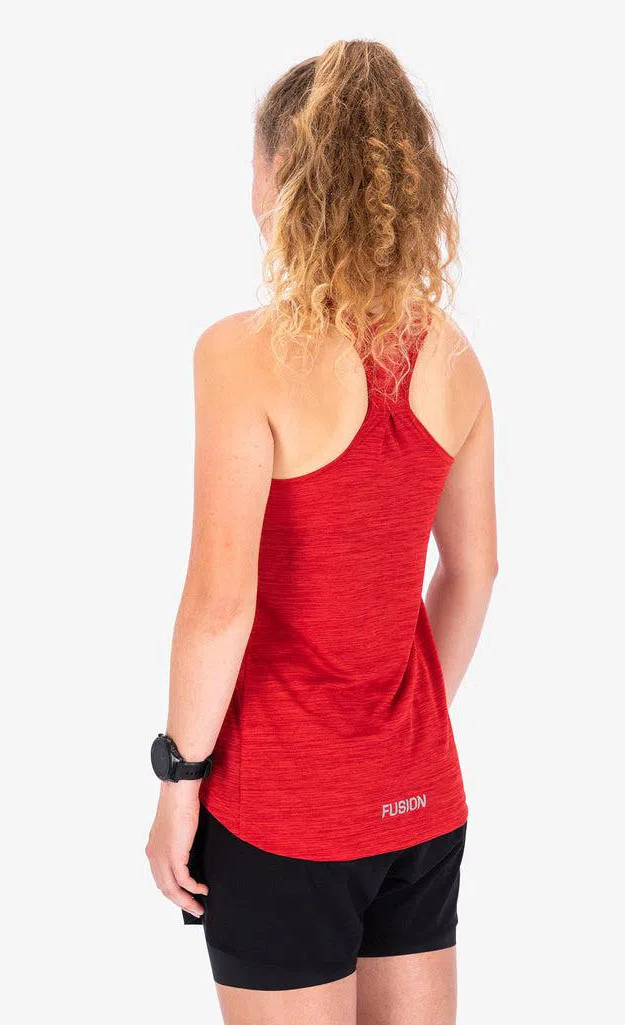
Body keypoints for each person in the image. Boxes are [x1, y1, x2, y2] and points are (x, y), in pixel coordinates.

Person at [146, 39, 497, 1025]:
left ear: (280, 177)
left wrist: (177, 782)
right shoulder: (453, 355)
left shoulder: (241, 355)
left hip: (283, 814)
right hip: (419, 800)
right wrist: (400, 725)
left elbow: (219, 606)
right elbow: (475, 569)